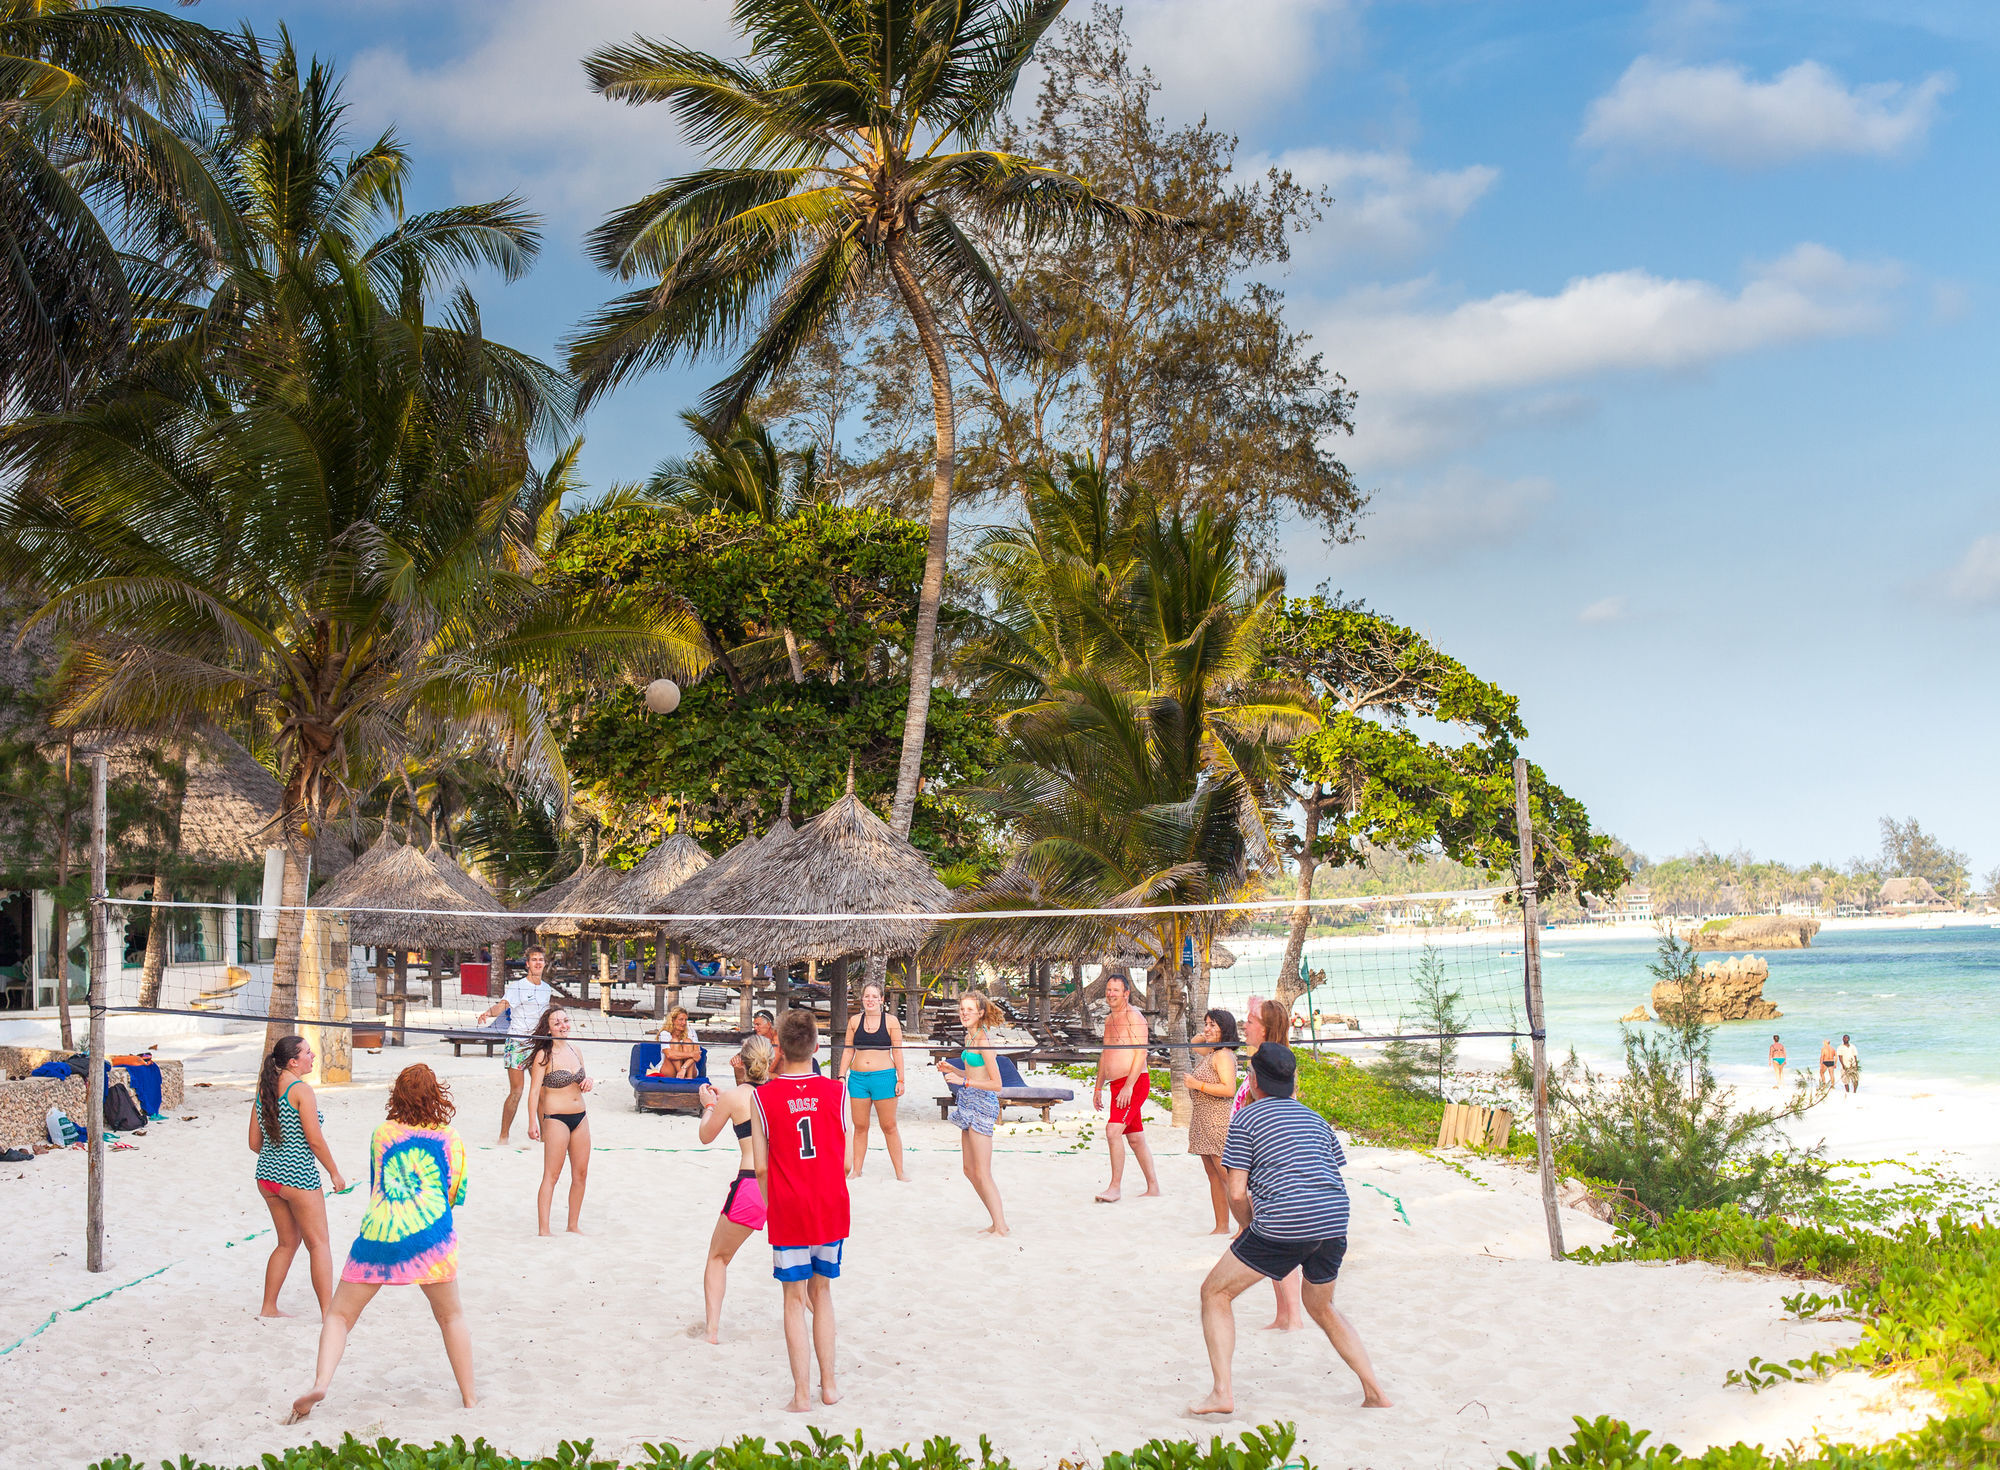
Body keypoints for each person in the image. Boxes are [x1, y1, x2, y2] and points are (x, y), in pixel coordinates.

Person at [1190, 1042, 1389, 1417]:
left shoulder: (1245, 1119)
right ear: (1293, 1080)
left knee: (1214, 1293)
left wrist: (1249, 1227)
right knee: (1323, 1306)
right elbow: (1325, 1172)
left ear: (1250, 1082)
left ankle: (1222, 1394)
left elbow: (1235, 1191)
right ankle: (1375, 1391)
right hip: (1333, 1221)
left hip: (1284, 1223)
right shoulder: (1316, 1119)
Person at [287, 1064, 473, 1423]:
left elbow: (378, 1185)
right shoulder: (450, 1138)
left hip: (378, 1237)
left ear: (396, 1095)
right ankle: (469, 1399)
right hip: (430, 1240)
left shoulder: (381, 1133)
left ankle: (321, 1383)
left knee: (339, 1316)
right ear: (438, 1095)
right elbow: (453, 1194)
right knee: (451, 1317)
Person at [753, 1009, 850, 1412]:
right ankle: (829, 1386)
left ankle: (800, 1395)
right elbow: (845, 1163)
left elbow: (760, 1166)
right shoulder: (836, 1091)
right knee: (822, 1293)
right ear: (815, 1046)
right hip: (829, 1204)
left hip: (789, 1207)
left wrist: (774, 1201)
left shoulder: (763, 1096)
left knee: (794, 1300)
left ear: (780, 1046)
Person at [249, 1035, 346, 1319]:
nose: (313, 1055)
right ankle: (328, 1311)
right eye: (307, 1052)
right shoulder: (301, 1090)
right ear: (293, 1061)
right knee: (319, 1243)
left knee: (286, 1243)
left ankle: (269, 1307)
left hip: (266, 1177)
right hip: (298, 1177)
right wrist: (334, 1173)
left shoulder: (265, 1090)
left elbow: (255, 1143)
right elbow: (314, 1140)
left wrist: (278, 1160)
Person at [694, 1035, 775, 1343]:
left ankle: (712, 1331)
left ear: (741, 1060)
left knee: (718, 1257)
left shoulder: (734, 1097)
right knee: (796, 1262)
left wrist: (710, 1104)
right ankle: (820, 1314)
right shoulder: (780, 1092)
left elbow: (705, 1135)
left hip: (753, 1182)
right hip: (784, 1186)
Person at [1236, 998, 1304, 1331]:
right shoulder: (1263, 1059)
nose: (1244, 1025)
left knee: (1278, 1240)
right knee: (1272, 1238)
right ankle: (1285, 1315)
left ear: (1266, 1028)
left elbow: (1281, 1119)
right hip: (1258, 1164)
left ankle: (1292, 1316)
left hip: (1272, 1167)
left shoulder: (1275, 1065)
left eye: (1250, 1020)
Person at [937, 990, 1009, 1235]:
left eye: (969, 1009)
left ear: (980, 1013)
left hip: (982, 1103)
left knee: (983, 1172)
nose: (964, 1013)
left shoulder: (983, 1041)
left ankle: (1001, 1226)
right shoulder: (969, 1038)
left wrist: (964, 1083)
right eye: (962, 1009)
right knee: (969, 1170)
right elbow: (973, 1075)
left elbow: (997, 1084)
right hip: (967, 1100)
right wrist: (954, 1071)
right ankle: (995, 1222)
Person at [1094, 973, 1161, 1202]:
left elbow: (1141, 1053)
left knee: (1113, 1131)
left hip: (1133, 1083)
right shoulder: (1109, 1020)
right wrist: (1098, 1087)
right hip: (1116, 1084)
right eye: (1109, 989)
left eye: (1116, 990)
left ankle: (1114, 1188)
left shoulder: (1135, 1017)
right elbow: (1106, 1055)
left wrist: (1128, 1087)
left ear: (1126, 993)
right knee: (1135, 1138)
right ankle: (1153, 1187)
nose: (1111, 994)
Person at [526, 1007, 593, 1235]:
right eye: (557, 1023)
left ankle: (572, 1225)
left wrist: (589, 1081)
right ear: (548, 1029)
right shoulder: (544, 1056)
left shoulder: (576, 1050)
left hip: (580, 1117)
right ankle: (544, 1230)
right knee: (551, 1175)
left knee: (581, 1174)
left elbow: (583, 1081)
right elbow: (534, 1091)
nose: (563, 1026)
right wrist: (532, 1122)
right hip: (556, 1119)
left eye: (565, 1021)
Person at [475, 945, 552, 1143]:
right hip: (517, 1043)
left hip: (538, 1044)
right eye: (534, 959)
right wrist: (488, 1013)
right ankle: (503, 1136)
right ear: (527, 964)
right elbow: (503, 1005)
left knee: (542, 1091)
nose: (537, 963)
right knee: (517, 1091)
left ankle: (544, 1138)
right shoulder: (518, 987)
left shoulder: (546, 989)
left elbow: (545, 1016)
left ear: (544, 963)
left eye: (540, 960)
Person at [838, 979, 908, 1180]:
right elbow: (848, 1050)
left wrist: (900, 1080)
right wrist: (841, 1076)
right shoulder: (854, 1021)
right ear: (862, 999)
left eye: (874, 997)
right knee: (860, 1127)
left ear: (881, 999)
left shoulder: (891, 1021)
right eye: (867, 996)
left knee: (889, 1126)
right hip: (858, 1079)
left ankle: (899, 1171)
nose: (870, 1000)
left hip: (884, 1077)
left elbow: (898, 1052)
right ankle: (857, 1170)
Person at [1187, 1009, 1240, 1235]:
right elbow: (1193, 1043)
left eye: (1213, 1025)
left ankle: (1247, 1226)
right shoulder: (1212, 1051)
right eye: (1206, 1023)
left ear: (1225, 1030)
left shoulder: (1223, 1055)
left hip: (1217, 1120)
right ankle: (1221, 1226)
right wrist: (1208, 1032)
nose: (1207, 1028)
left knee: (1229, 1177)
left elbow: (1229, 1089)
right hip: (1201, 1119)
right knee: (1214, 1176)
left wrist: (1197, 1085)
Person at [733, 1010, 778, 1086]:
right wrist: (737, 1058)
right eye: (754, 1025)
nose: (755, 1028)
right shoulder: (761, 1040)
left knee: (745, 1069)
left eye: (758, 1024)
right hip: (764, 1081)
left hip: (778, 1084)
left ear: (769, 1024)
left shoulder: (777, 1044)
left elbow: (761, 1072)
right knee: (739, 1066)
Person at [656, 1007, 701, 1079]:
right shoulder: (665, 1033)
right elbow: (669, 1055)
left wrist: (684, 1068)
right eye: (681, 1020)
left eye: (686, 1020)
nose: (684, 1023)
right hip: (669, 1069)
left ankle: (689, 1078)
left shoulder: (691, 1031)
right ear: (673, 1020)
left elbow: (697, 1055)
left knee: (687, 1041)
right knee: (675, 1041)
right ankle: (681, 1076)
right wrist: (691, 1054)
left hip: (688, 1069)